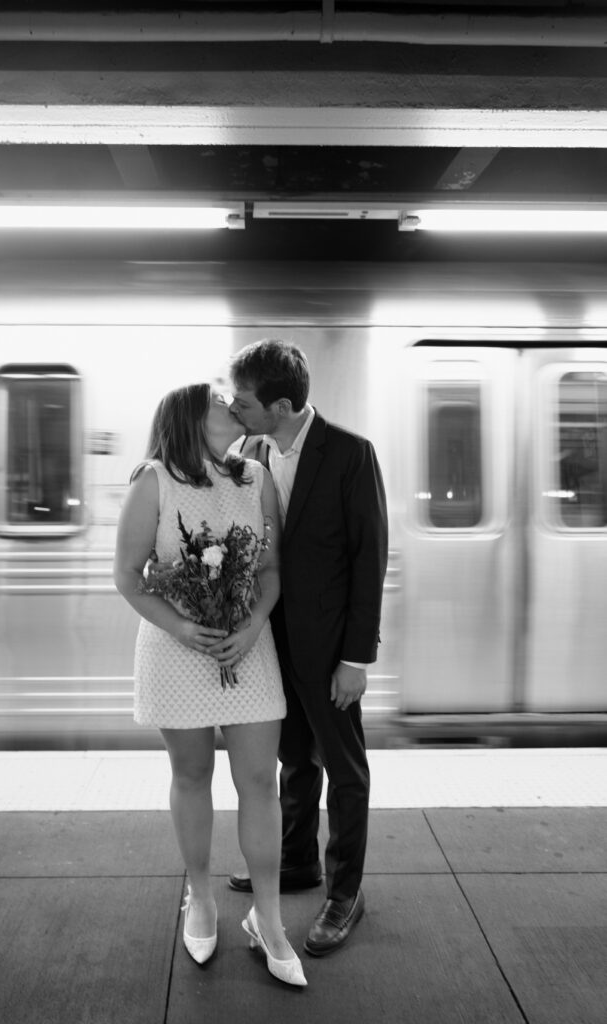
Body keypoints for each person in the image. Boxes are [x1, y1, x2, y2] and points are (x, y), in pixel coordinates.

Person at [114, 383, 306, 987]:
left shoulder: (256, 476)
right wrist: (185, 627)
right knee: (191, 775)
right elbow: (128, 576)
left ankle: (267, 918)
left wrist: (249, 626)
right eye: (220, 399)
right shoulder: (153, 480)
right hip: (177, 650)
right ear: (189, 417)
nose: (233, 404)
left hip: (247, 646)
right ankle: (199, 896)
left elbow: (271, 569)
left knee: (259, 781)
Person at [227, 340, 388, 957]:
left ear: (283, 404)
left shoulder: (350, 453)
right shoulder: (249, 449)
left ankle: (346, 894)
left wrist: (357, 658)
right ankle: (297, 860)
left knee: (345, 770)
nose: (235, 412)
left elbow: (367, 558)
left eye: (245, 403)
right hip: (273, 639)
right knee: (292, 755)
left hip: (329, 648)